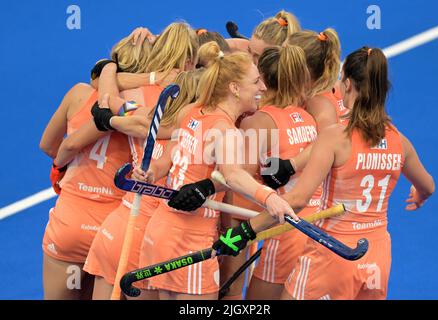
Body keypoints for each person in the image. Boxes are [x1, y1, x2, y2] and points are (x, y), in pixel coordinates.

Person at [213, 46, 435, 300]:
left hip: (332, 252)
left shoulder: (335, 138)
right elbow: (428, 186)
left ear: (348, 84)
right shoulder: (400, 142)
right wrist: (418, 194)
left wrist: (245, 232)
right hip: (377, 256)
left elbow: (296, 200)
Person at [136, 49, 297, 300]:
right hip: (190, 242)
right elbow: (232, 175)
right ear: (234, 88)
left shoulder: (192, 112)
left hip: (160, 233)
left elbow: (167, 160)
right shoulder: (226, 131)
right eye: (255, 82)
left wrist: (149, 173)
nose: (263, 87)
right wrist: (269, 198)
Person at [39, 31, 155, 299]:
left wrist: (69, 164)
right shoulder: (141, 107)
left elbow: (47, 145)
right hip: (112, 230)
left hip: (68, 223)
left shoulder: (78, 93)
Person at [84, 69, 204, 300]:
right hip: (144, 235)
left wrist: (108, 67)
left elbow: (110, 100)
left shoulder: (146, 114)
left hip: (115, 226)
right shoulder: (187, 134)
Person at [240, 45, 320, 300]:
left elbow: (241, 177)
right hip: (319, 221)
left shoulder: (258, 121)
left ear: (263, 80)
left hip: (287, 226)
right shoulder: (307, 117)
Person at [261, 28, 345, 190]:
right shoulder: (307, 91)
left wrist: (290, 166)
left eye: (286, 57)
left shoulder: (318, 102)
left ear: (302, 70)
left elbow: (328, 142)